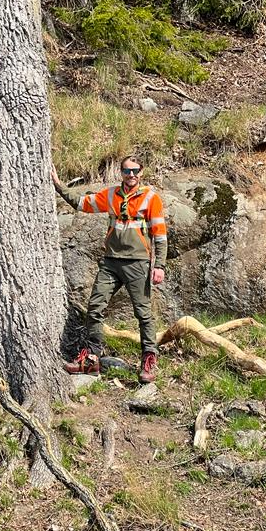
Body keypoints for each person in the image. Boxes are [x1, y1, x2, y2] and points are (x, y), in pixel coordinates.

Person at [51, 155, 167, 383]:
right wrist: (58, 185)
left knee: (143, 314)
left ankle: (149, 361)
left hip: (138, 263)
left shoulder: (151, 198)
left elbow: (160, 236)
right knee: (94, 308)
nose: (131, 175)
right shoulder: (112, 194)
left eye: (135, 170)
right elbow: (83, 203)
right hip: (111, 262)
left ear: (141, 172)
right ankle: (92, 360)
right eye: (126, 171)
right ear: (121, 173)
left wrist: (159, 265)